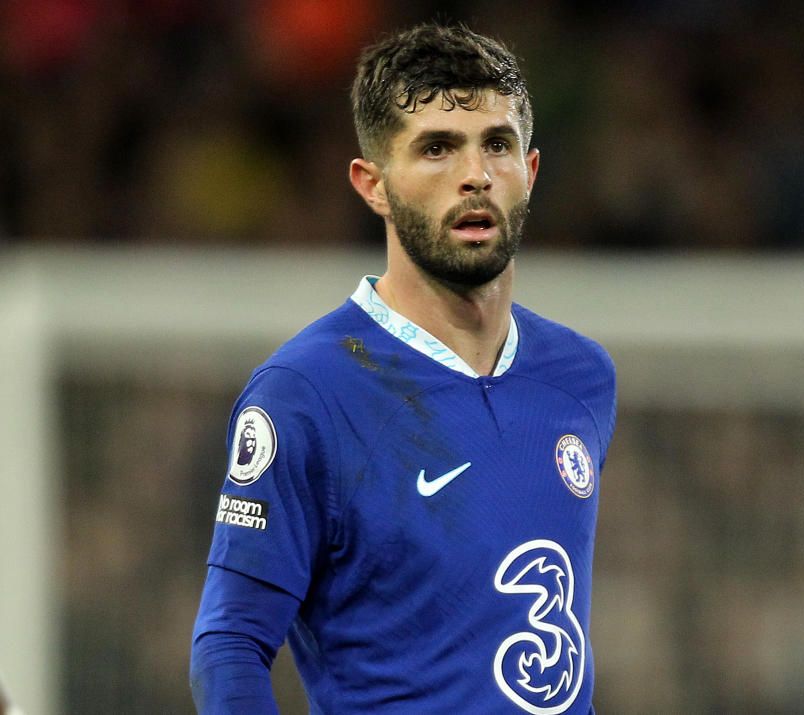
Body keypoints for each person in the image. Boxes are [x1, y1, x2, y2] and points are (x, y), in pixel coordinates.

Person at [190, 22, 617, 714]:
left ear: (529, 172)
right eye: (438, 148)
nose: (475, 174)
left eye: (497, 144)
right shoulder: (305, 396)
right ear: (374, 185)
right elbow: (230, 643)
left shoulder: (581, 377)